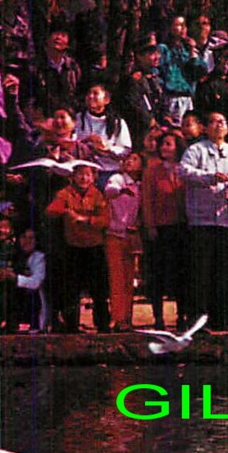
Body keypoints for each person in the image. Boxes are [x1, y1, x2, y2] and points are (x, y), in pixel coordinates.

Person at [179, 111, 228, 330]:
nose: (219, 125)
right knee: (201, 271)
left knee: (224, 272)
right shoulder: (195, 150)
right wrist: (209, 177)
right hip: (202, 220)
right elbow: (184, 172)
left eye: (222, 122)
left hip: (226, 218)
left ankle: (223, 318)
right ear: (205, 128)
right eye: (213, 122)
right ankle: (198, 319)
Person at [45, 162, 111, 333]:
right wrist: (64, 209)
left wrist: (84, 219)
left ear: (93, 177)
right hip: (72, 247)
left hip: (94, 246)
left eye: (88, 174)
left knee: (99, 291)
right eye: (80, 174)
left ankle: (102, 325)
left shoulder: (97, 195)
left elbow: (105, 220)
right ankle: (72, 325)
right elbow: (51, 211)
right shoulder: (65, 193)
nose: (84, 178)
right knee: (71, 289)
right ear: (72, 177)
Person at [141, 131, 187, 331]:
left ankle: (181, 316)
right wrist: (150, 225)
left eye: (168, 144)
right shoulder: (152, 170)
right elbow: (147, 200)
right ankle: (158, 317)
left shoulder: (185, 169)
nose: (164, 148)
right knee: (157, 274)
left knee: (181, 274)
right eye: (162, 144)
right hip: (159, 227)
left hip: (181, 226)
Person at [102, 153, 144, 331]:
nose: (129, 162)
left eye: (134, 159)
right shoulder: (117, 179)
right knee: (116, 278)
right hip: (115, 233)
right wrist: (120, 190)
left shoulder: (141, 185)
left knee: (130, 278)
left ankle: (127, 318)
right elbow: (109, 190)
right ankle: (117, 318)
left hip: (132, 234)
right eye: (127, 159)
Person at [75, 84, 133, 173]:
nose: (90, 96)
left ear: (106, 100)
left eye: (95, 94)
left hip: (108, 170)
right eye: (89, 94)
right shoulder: (78, 118)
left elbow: (126, 151)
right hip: (82, 170)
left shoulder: (117, 122)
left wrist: (107, 149)